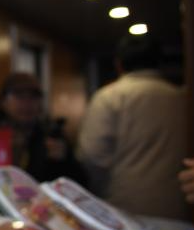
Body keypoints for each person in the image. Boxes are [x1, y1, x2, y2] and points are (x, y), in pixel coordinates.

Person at [77, 34, 186, 219]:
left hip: (125, 206)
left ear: (118, 64)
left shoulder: (109, 96)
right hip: (179, 204)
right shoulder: (182, 97)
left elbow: (92, 156)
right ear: (159, 62)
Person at [0, 72, 85, 183]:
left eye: (34, 97)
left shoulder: (52, 137)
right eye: (19, 96)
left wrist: (64, 161)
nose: (27, 103)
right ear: (3, 102)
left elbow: (81, 182)